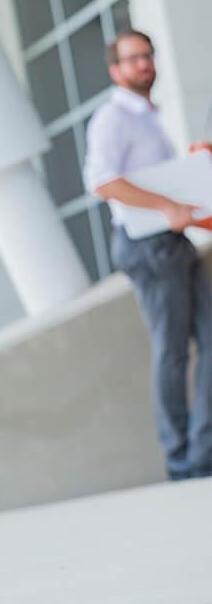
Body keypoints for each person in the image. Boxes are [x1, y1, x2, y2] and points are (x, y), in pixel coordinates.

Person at [85, 29, 212, 480]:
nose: (144, 64)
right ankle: (180, 458)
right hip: (146, 246)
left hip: (173, 242)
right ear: (115, 69)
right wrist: (167, 207)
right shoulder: (113, 118)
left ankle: (202, 452)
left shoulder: (148, 118)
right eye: (133, 58)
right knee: (172, 351)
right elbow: (102, 181)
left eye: (148, 55)